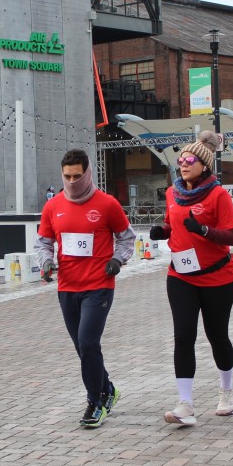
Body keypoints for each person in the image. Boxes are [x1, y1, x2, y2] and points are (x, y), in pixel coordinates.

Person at [34, 149, 135, 429]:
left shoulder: (107, 204)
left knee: (89, 343)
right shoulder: (53, 206)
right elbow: (43, 242)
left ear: (88, 173)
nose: (72, 181)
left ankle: (95, 402)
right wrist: (46, 262)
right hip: (67, 287)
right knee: (83, 347)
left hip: (98, 286)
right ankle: (108, 389)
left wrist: (117, 260)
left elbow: (127, 238)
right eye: (67, 176)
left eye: (77, 176)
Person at [148, 130, 233, 427]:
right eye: (181, 160)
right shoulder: (172, 193)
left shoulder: (218, 195)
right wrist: (162, 232)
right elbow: (172, 224)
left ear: (204, 165)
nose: (183, 164)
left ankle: (227, 392)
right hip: (181, 276)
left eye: (190, 160)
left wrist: (203, 230)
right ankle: (185, 404)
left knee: (217, 335)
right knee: (183, 336)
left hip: (218, 277)